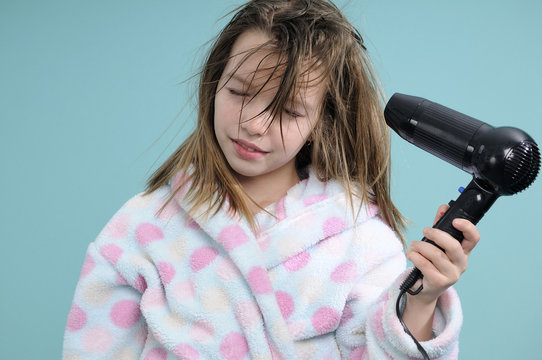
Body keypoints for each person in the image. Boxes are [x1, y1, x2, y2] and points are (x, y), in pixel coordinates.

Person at [63, 1, 480, 359]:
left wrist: (422, 300)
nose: (253, 124)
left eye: (287, 111)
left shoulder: (361, 243)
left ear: (322, 121)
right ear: (214, 84)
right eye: (239, 92)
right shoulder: (142, 226)